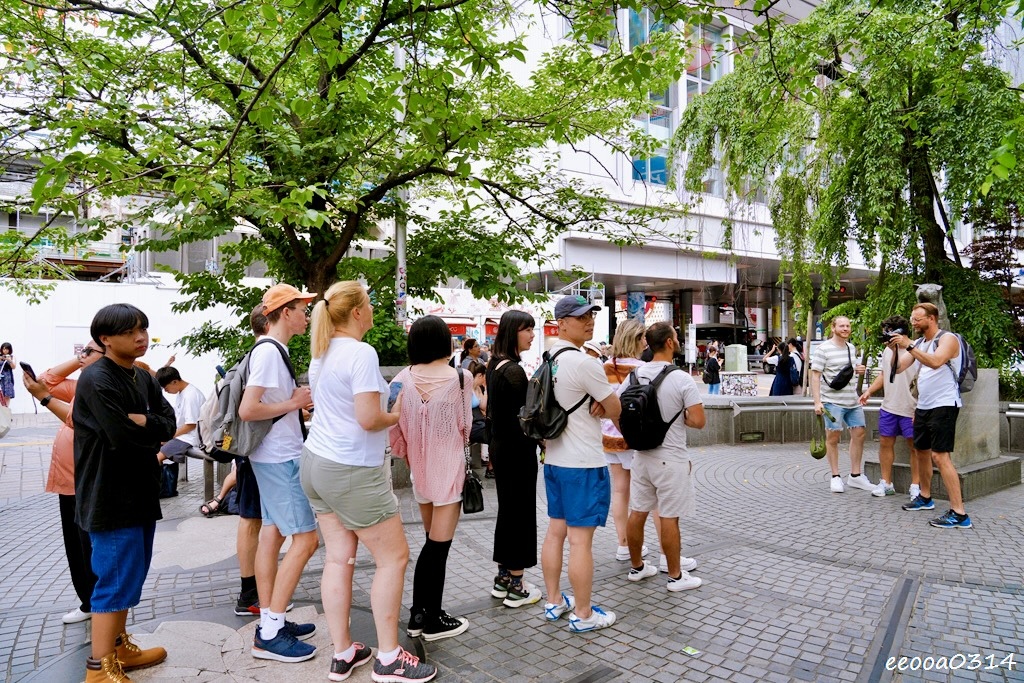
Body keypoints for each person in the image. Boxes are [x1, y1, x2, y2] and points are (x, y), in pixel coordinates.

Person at [300, 280, 436, 683]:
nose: (374, 309)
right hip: (352, 470)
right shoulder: (360, 352)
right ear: (358, 312)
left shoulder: (321, 353)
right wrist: (398, 411)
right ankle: (390, 658)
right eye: (371, 304)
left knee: (339, 558)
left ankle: (343, 652)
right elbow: (367, 418)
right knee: (393, 558)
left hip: (317, 464)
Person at [72, 304, 176, 683]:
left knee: (129, 575)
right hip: (109, 494)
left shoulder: (143, 378)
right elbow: (120, 436)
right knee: (113, 580)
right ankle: (99, 668)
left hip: (139, 490)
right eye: (131, 331)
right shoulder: (97, 379)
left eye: (144, 329)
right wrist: (149, 427)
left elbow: (170, 422)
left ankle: (119, 648)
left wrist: (145, 420)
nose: (141, 337)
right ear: (105, 339)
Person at [239, 284, 319, 663]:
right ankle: (270, 631)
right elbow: (247, 410)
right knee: (306, 541)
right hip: (279, 459)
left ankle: (273, 618)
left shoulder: (270, 350)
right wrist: (295, 402)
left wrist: (291, 408)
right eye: (303, 308)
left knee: (272, 536)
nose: (307, 314)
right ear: (285, 312)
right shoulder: (270, 352)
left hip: (270, 456)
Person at [540, 295, 621, 634]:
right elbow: (615, 408)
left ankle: (555, 600)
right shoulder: (584, 363)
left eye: (591, 315)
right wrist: (604, 405)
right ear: (561, 323)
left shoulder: (548, 359)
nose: (588, 322)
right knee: (580, 541)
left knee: (555, 532)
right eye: (580, 317)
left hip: (554, 461)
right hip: (583, 464)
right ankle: (584, 614)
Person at [390, 315, 473, 641]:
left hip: (419, 471)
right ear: (444, 341)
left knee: (431, 544)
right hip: (450, 470)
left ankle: (420, 615)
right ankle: (427, 617)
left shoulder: (401, 378)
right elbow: (465, 426)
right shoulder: (461, 378)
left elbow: (394, 427)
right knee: (438, 548)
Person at [20, 341, 106, 625]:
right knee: (76, 546)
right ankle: (87, 601)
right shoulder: (82, 384)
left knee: (90, 546)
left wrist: (45, 399)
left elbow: (78, 420)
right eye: (83, 349)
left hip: (88, 480)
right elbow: (45, 381)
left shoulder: (106, 386)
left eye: (89, 351)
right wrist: (78, 360)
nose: (83, 355)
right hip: (68, 480)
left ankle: (100, 603)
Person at [617, 322, 706, 592]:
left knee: (638, 512)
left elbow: (617, 410)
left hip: (641, 456)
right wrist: (681, 417)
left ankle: (637, 567)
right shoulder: (681, 378)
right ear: (669, 342)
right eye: (676, 337)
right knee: (669, 517)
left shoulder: (634, 375)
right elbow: (700, 420)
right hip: (671, 457)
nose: (677, 341)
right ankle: (676, 577)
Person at [889, 303, 972, 528]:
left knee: (940, 456)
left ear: (932, 319)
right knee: (922, 451)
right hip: (923, 406)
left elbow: (935, 362)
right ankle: (925, 498)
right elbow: (898, 368)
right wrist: (894, 346)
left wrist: (909, 346)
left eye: (918, 320)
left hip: (944, 404)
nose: (913, 323)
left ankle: (960, 513)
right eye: (912, 319)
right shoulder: (918, 343)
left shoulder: (948, 339)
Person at [485, 310, 543, 609]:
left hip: (500, 447)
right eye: (527, 329)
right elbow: (527, 418)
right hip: (517, 449)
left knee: (508, 511)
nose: (532, 334)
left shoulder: (495, 365)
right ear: (513, 332)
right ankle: (517, 584)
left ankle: (504, 577)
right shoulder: (515, 371)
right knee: (520, 512)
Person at [601, 319, 650, 563]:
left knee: (620, 490)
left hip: (609, 436)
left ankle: (622, 543)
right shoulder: (642, 368)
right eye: (642, 337)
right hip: (633, 438)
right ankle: (636, 545)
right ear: (634, 339)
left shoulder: (606, 366)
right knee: (642, 493)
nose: (645, 341)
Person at [233, 304, 272, 616]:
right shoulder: (264, 355)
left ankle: (255, 588)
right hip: (257, 450)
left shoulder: (254, 354)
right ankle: (249, 593)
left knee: (253, 519)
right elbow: (250, 408)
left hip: (253, 449)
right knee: (252, 519)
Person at [858, 315, 923, 499]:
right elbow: (885, 374)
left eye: (889, 332)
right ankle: (886, 483)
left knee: (914, 447)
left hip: (911, 407)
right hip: (889, 406)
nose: (886, 337)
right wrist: (869, 391)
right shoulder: (888, 351)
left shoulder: (916, 350)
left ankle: (916, 485)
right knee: (885, 443)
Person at [810, 316, 871, 493]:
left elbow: (848, 372)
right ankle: (835, 476)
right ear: (833, 328)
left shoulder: (851, 348)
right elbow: (815, 376)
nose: (845, 328)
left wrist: (859, 370)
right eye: (842, 326)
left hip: (852, 400)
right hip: (832, 401)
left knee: (859, 433)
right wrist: (817, 402)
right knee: (833, 438)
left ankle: (855, 475)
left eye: (848, 326)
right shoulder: (823, 349)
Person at [154, 367, 207, 498]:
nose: (166, 391)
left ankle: (156, 490)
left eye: (166, 388)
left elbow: (191, 424)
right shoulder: (182, 393)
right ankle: (162, 488)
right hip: (183, 436)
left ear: (174, 382)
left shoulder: (190, 396)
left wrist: (170, 436)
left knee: (156, 458)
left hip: (190, 437)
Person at [467, 361, 493, 478]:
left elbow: (483, 406)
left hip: (479, 422)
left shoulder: (477, 388)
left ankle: (491, 467)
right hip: (471, 425)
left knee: (495, 433)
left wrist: (486, 389)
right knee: (493, 435)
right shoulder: (466, 388)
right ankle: (491, 467)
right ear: (480, 376)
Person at [1, 342, 15, 407]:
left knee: (7, 395)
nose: (5, 351)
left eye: (7, 349)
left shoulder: (12, 357)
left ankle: (6, 411)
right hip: (1, 379)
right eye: (3, 349)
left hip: (8, 379)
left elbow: (13, 367)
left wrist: (9, 360)